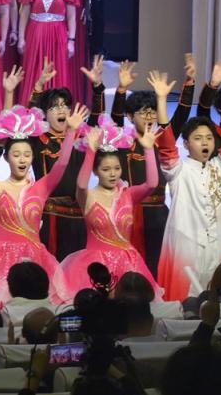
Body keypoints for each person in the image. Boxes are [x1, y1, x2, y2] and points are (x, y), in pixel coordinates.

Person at [0, 106, 85, 304]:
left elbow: (61, 165)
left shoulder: (41, 188)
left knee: (39, 306)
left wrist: (71, 132)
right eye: (16, 155)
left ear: (33, 157)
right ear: (6, 157)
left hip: (35, 258)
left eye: (27, 154)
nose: (22, 159)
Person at [159, 94, 221, 300]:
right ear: (185, 144)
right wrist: (161, 99)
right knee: (188, 298)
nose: (205, 142)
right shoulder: (177, 170)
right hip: (188, 244)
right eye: (198, 138)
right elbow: (166, 143)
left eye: (209, 138)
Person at [60, 121, 164, 296]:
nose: (113, 174)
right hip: (96, 267)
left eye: (117, 168)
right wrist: (91, 152)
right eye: (106, 169)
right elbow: (81, 185)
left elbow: (152, 184)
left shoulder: (128, 194)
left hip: (128, 264)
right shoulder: (88, 196)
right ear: (96, 171)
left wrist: (148, 149)